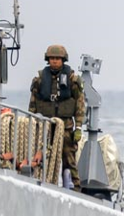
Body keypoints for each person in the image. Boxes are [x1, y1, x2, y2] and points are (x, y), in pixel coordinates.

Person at [29, 45, 86, 188]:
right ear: (48, 60)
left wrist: (78, 127)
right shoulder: (40, 79)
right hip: (45, 126)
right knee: (42, 157)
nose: (54, 61)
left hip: (66, 127)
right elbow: (33, 103)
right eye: (52, 58)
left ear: (63, 60)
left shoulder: (72, 80)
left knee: (69, 160)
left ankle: (75, 188)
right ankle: (41, 185)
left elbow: (80, 105)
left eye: (57, 59)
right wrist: (32, 122)